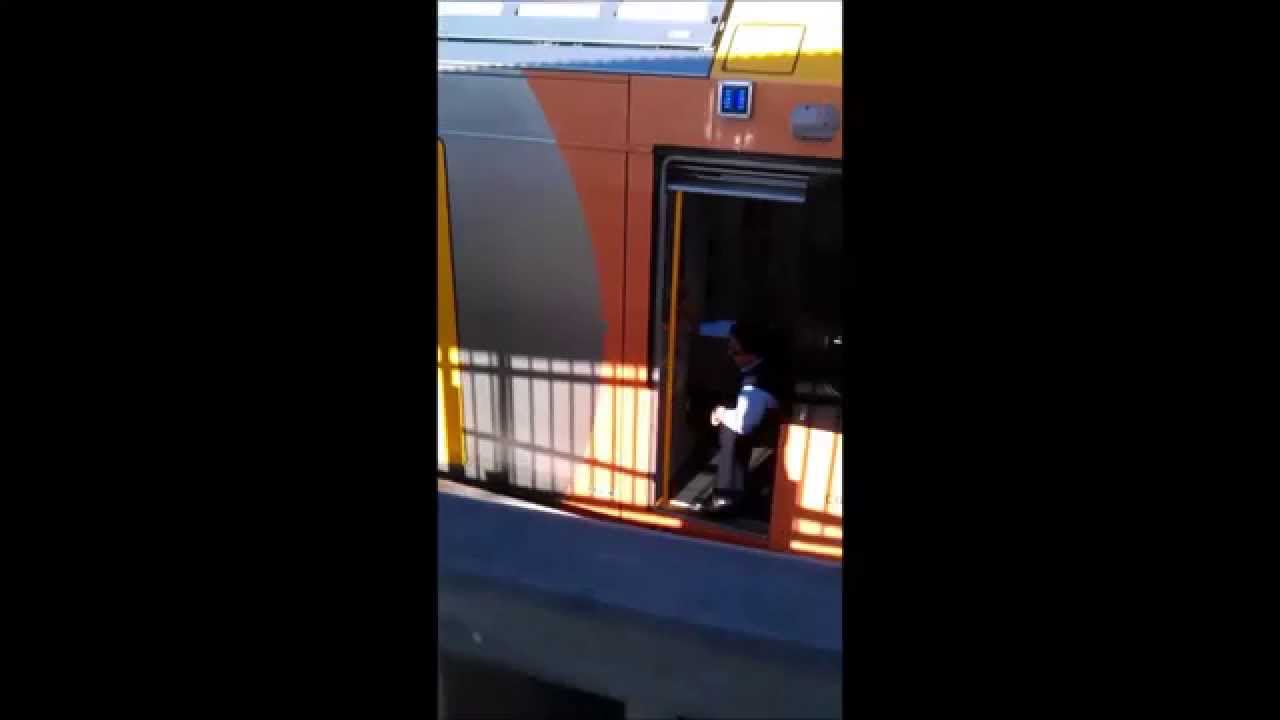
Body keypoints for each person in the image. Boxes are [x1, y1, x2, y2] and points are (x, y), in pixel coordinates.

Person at [701, 322, 786, 516]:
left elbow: (743, 424)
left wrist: (719, 412)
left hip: (762, 432)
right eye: (729, 347)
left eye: (735, 351)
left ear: (752, 354)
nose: (729, 354)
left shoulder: (755, 385)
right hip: (759, 423)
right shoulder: (763, 363)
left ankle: (726, 496)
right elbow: (720, 328)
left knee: (729, 431)